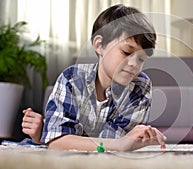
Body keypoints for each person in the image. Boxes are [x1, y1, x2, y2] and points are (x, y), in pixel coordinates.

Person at [21, 4, 167, 152]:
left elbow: (112, 145)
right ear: (99, 45)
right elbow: (57, 143)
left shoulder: (140, 87)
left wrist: (59, 137)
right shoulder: (71, 79)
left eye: (141, 59)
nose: (133, 64)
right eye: (126, 52)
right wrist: (52, 137)